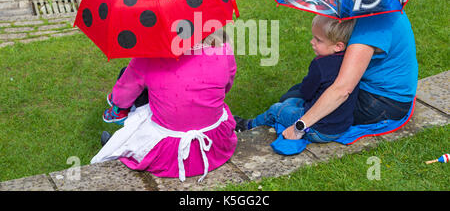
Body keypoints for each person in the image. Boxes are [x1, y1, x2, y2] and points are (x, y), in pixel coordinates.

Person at [91, 29, 238, 182]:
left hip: (168, 153)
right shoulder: (223, 48)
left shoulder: (149, 56)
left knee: (136, 108)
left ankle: (119, 140)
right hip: (215, 143)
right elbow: (227, 85)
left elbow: (122, 96)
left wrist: (118, 104)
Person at [282, 11, 418, 140]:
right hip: (382, 90)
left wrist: (300, 125)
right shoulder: (379, 5)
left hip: (382, 103)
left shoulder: (370, 24)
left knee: (292, 100)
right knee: (297, 91)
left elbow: (342, 89)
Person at [234, 15, 358, 142]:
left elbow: (306, 92)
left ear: (338, 46)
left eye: (318, 40)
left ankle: (247, 125)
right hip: (341, 125)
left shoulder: (320, 64)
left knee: (276, 110)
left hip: (318, 130)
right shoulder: (351, 63)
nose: (312, 42)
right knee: (291, 101)